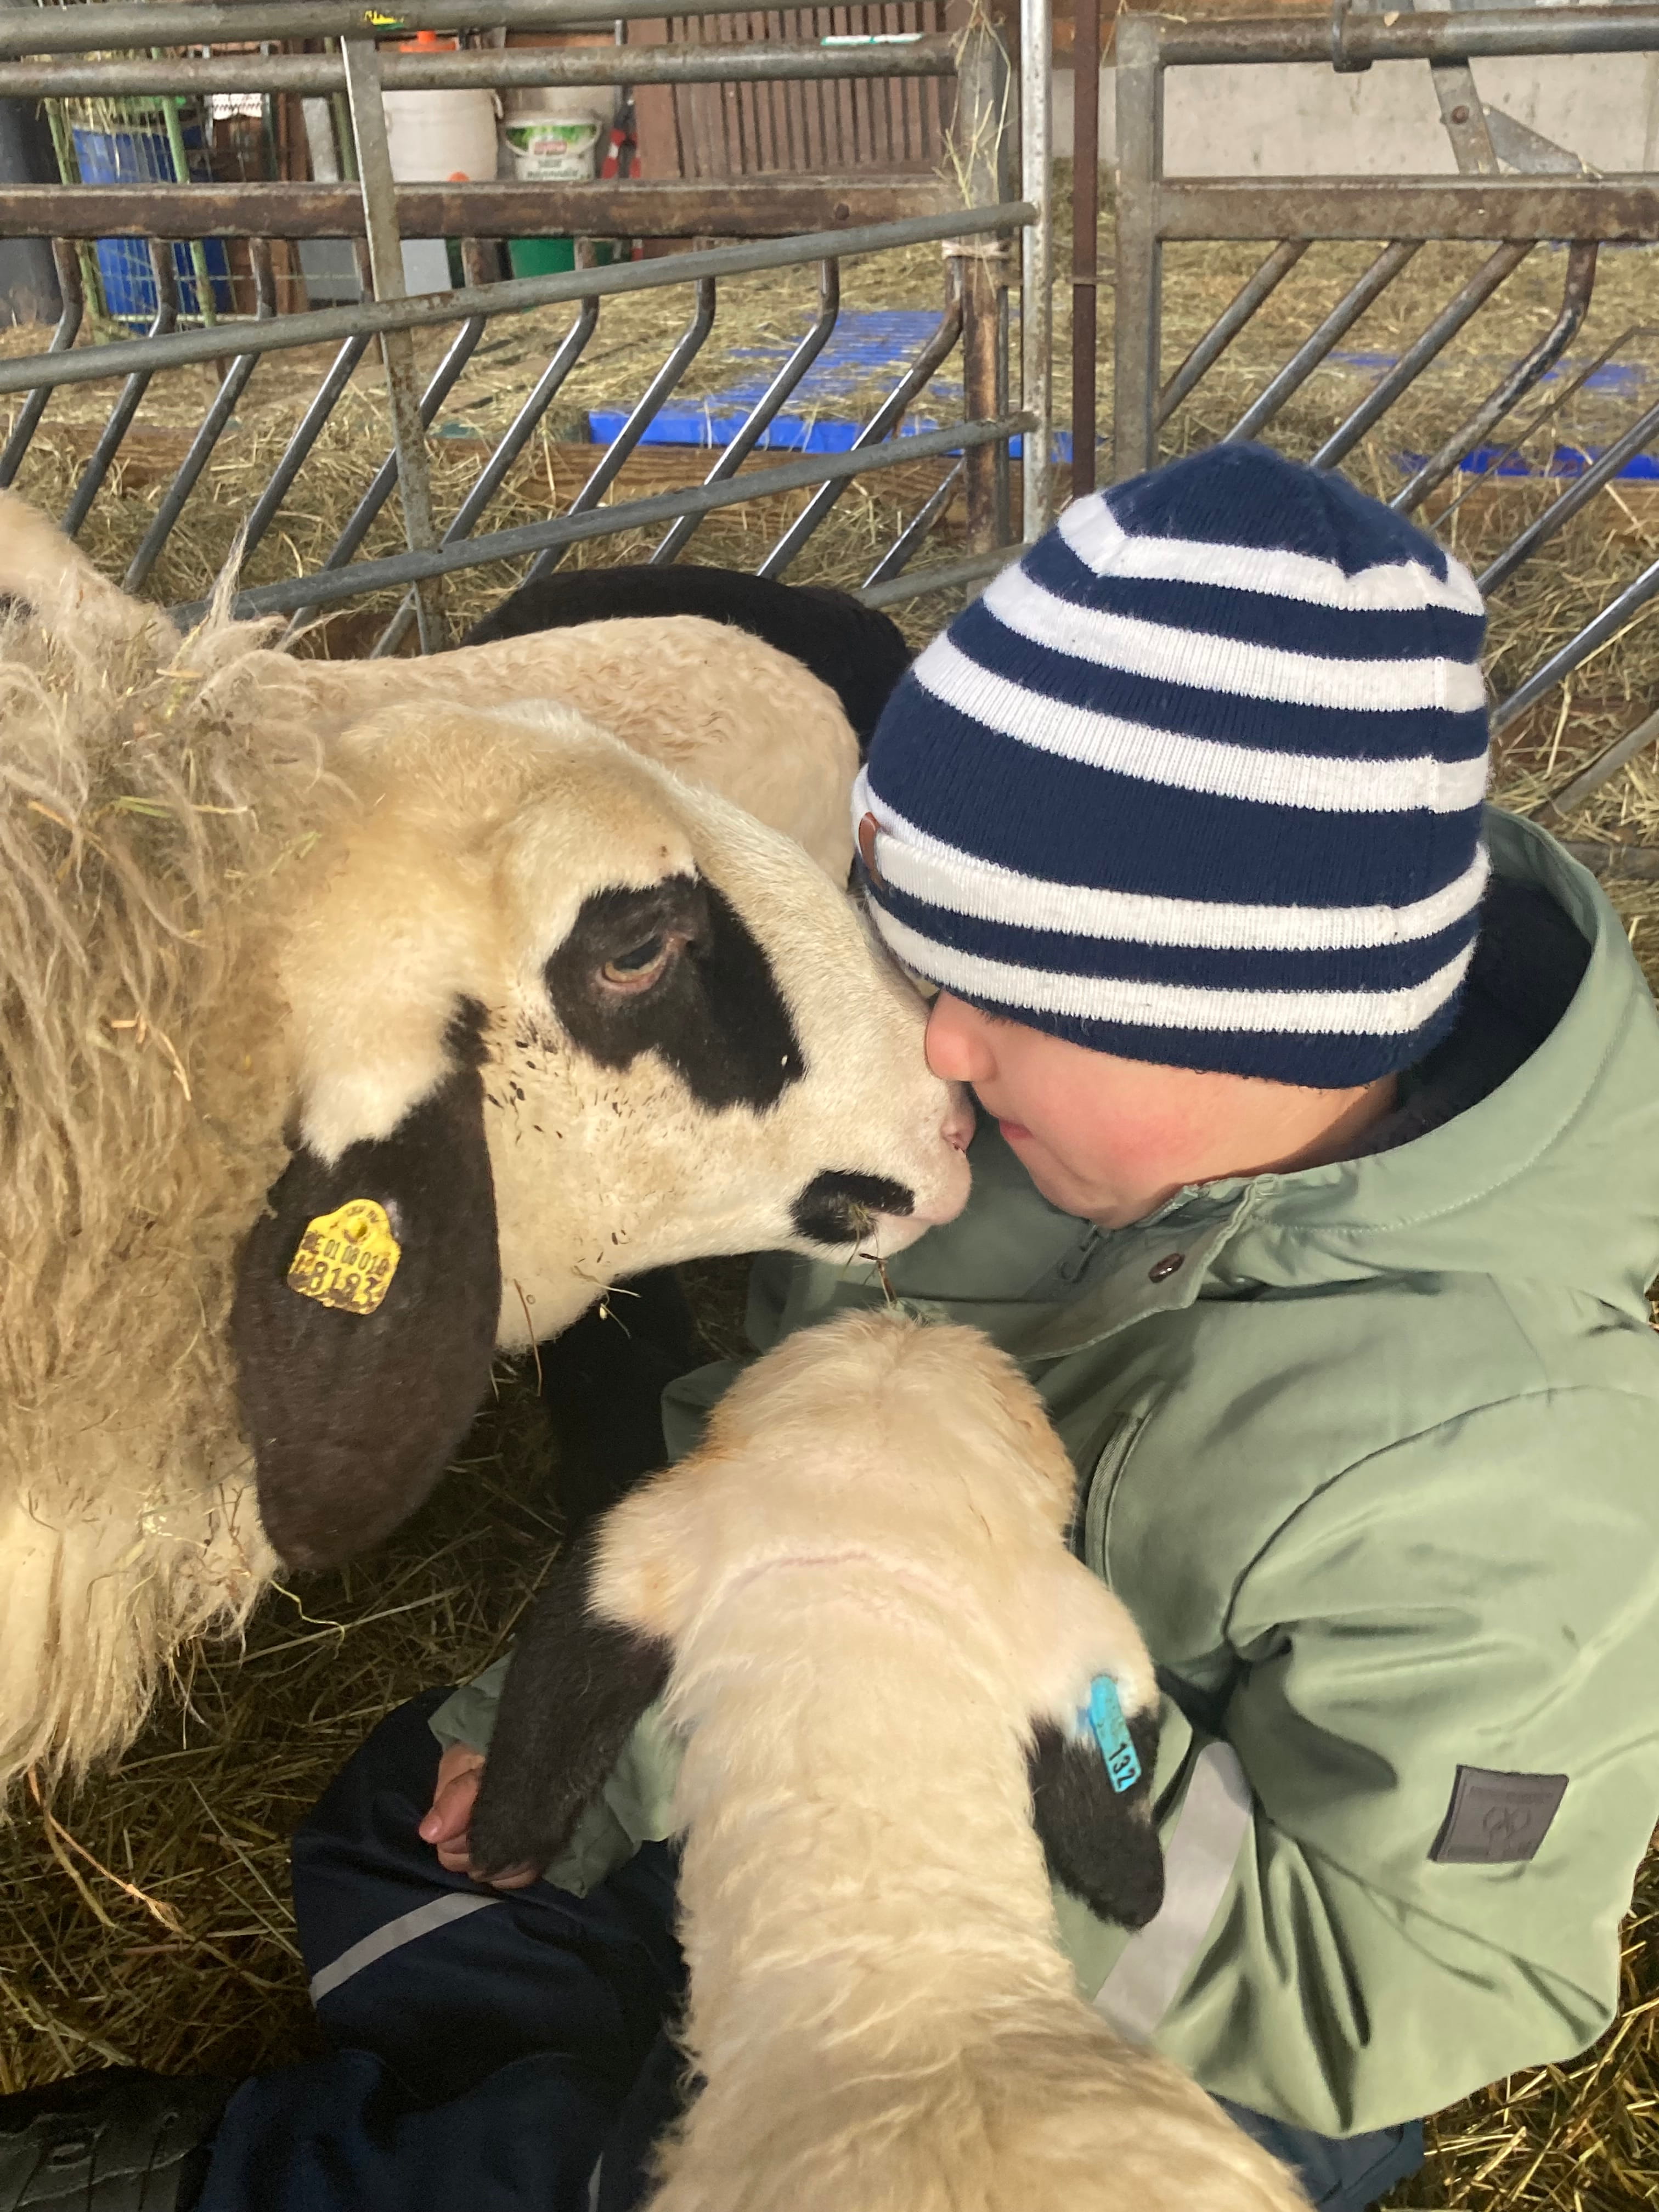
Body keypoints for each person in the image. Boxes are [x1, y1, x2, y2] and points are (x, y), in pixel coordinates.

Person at [6, 444, 1658, 2212]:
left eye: (1000, 996)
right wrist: (615, 1730)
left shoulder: (1515, 1457)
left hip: (1118, 1995)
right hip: (769, 1794)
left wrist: (991, 1740)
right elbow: (745, 1435)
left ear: (1243, 1012)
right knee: (395, 1832)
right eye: (924, 968)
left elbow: (1413, 1977)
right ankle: (550, 2119)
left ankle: (264, 2176)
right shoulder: (1010, 1147)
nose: (933, 1046)